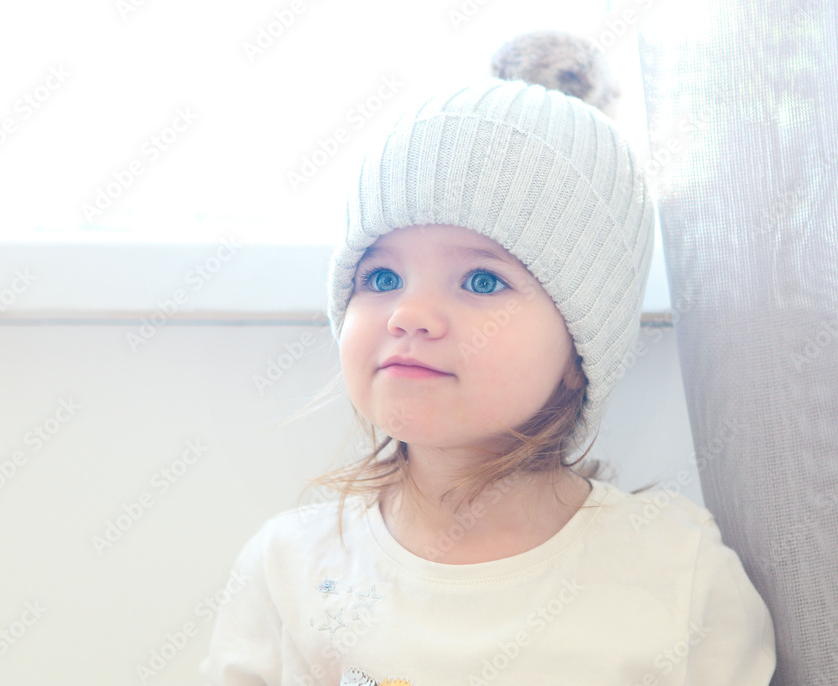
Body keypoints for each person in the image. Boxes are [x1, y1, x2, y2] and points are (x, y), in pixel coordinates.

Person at [201, 42, 776, 686]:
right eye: (382, 275)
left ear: (579, 350)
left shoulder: (677, 576)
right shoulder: (294, 570)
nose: (409, 313)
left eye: (480, 281)